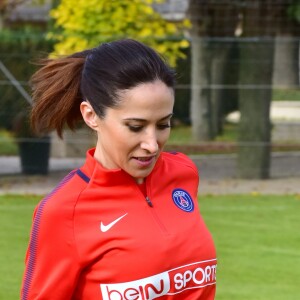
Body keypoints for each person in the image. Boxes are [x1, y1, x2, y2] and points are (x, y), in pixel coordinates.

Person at [21, 39, 217, 300]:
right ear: (91, 115)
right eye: (136, 126)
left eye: (163, 124)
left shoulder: (183, 173)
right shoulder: (64, 211)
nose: (151, 144)